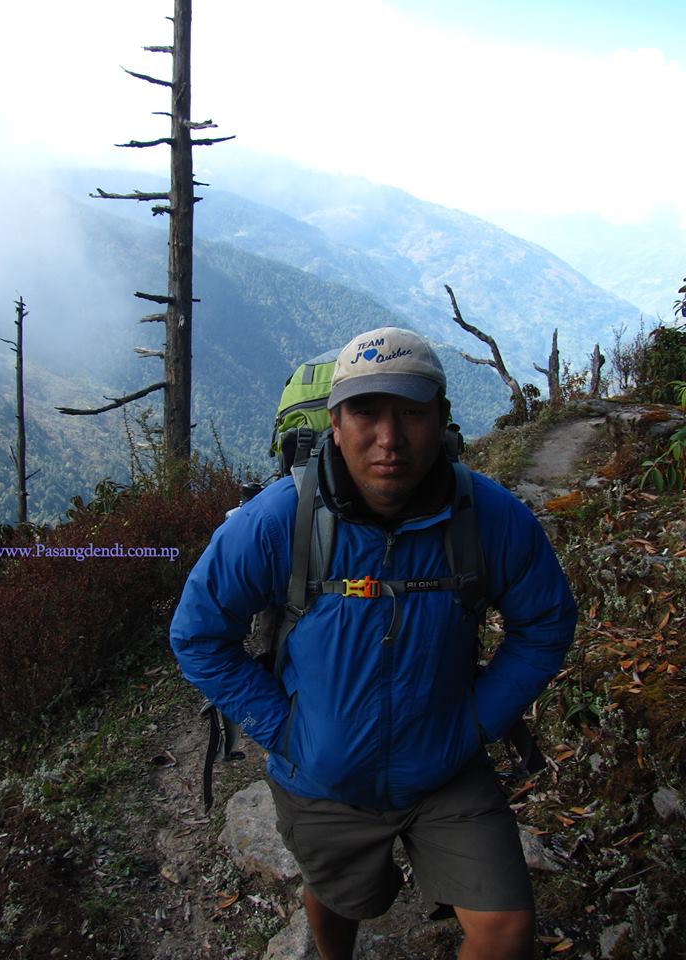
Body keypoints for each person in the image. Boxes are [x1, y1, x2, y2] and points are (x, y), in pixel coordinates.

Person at [170, 326, 577, 960]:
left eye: (412, 412)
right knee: (339, 900)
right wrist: (287, 732)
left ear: (440, 419)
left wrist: (478, 722)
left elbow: (546, 623)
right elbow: (197, 634)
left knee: (505, 931)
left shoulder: (489, 519)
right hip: (322, 779)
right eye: (365, 412)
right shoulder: (277, 521)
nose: (389, 438)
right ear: (334, 424)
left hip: (447, 770)